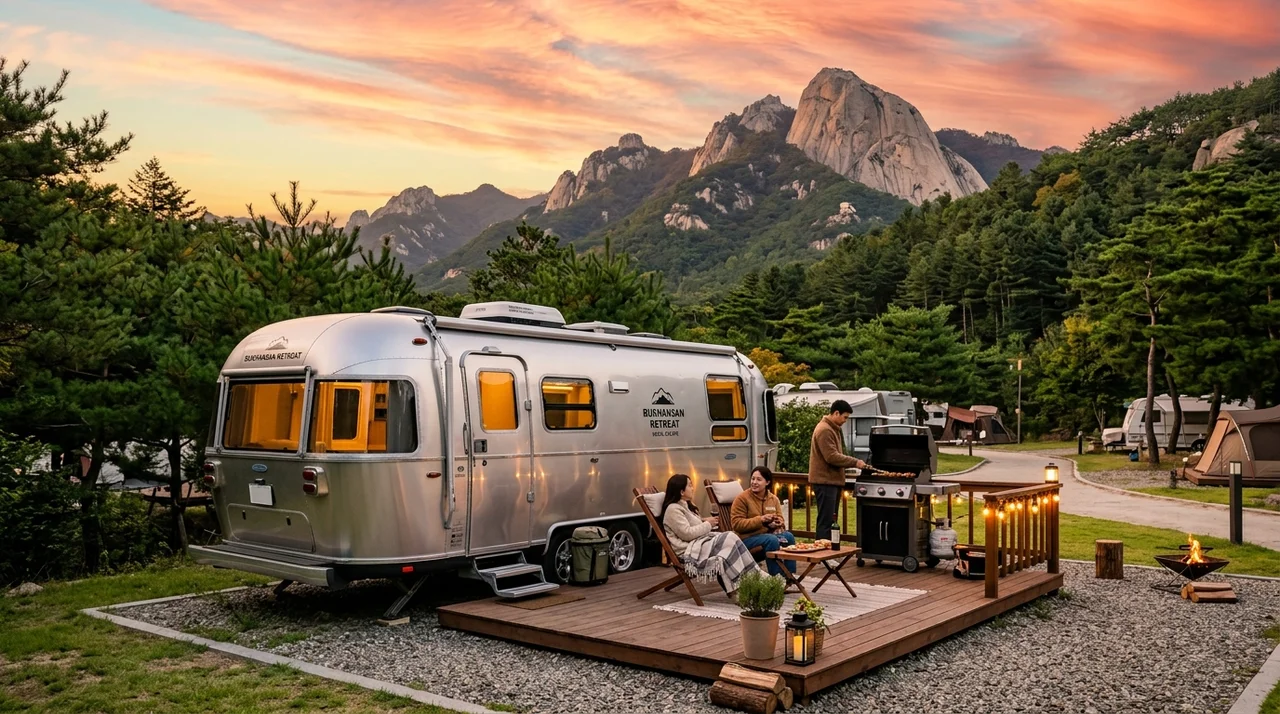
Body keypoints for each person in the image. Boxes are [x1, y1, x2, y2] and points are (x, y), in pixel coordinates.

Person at [659, 474, 761, 596]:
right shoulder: (673, 509)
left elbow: (687, 525)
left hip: (699, 544)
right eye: (690, 485)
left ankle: (744, 586)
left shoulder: (685, 506)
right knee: (729, 537)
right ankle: (751, 581)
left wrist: (702, 521)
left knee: (728, 547)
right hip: (689, 550)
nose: (693, 488)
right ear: (681, 491)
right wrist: (708, 524)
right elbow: (687, 534)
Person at [808, 400, 870, 537]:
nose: (845, 421)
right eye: (845, 417)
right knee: (826, 521)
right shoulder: (824, 430)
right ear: (836, 413)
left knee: (831, 520)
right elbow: (831, 456)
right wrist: (855, 462)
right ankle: (823, 554)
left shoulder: (832, 428)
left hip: (831, 482)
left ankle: (828, 552)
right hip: (825, 482)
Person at [730, 466, 797, 576]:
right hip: (746, 540)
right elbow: (737, 525)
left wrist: (778, 523)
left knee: (789, 536)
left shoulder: (773, 499)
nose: (754, 482)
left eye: (758, 479)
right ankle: (777, 578)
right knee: (771, 540)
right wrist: (760, 520)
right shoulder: (742, 499)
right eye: (753, 479)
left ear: (767, 482)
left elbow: (781, 519)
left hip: (767, 536)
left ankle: (790, 576)